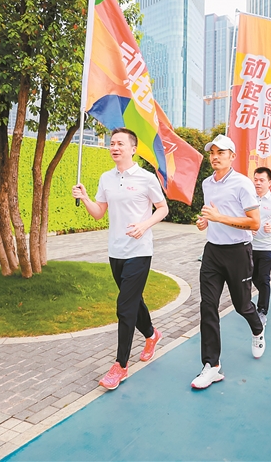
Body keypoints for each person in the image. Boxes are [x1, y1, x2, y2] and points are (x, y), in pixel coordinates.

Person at [71, 128, 169, 390]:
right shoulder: (106, 178)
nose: (114, 147)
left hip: (139, 251)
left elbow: (163, 208)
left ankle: (120, 366)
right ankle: (152, 334)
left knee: (124, 307)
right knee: (134, 302)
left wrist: (144, 225)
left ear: (133, 149)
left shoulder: (146, 178)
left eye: (120, 144)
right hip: (116, 251)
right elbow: (98, 213)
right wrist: (85, 198)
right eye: (112, 143)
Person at [191, 134, 265, 390]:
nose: (215, 157)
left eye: (221, 152)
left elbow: (255, 223)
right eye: (212, 152)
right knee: (208, 306)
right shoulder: (207, 183)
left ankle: (257, 328)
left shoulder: (243, 184)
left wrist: (219, 218)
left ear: (232, 156)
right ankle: (212, 365)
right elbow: (212, 214)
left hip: (238, 252)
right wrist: (205, 221)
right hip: (213, 252)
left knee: (242, 305)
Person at [251, 166, 271, 325]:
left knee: (263, 278)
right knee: (251, 278)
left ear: (269, 182)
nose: (257, 183)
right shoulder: (248, 198)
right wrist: (247, 227)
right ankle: (250, 305)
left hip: (267, 248)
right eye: (255, 180)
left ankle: (262, 310)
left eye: (261, 180)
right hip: (249, 247)